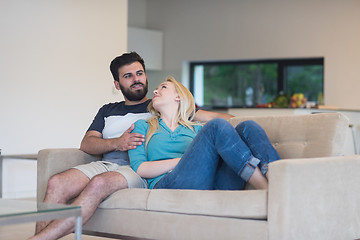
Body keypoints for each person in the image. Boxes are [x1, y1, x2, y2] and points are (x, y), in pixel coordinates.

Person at [30, 52, 234, 240]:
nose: (136, 79)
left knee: (99, 183)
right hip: (106, 163)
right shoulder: (108, 110)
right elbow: (87, 143)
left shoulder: (162, 105)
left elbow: (218, 119)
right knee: (57, 182)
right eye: (128, 76)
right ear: (117, 84)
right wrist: (117, 143)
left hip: (136, 168)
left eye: (139, 73)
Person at [128, 77, 281, 191]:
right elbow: (140, 168)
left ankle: (279, 179)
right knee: (215, 126)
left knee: (248, 126)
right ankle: (267, 190)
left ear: (178, 97)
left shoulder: (197, 129)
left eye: (163, 87)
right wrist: (182, 161)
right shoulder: (143, 126)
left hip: (212, 185)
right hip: (168, 184)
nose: (155, 91)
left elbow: (229, 125)